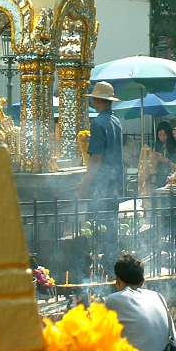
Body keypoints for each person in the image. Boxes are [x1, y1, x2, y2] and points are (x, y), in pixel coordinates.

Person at [105, 254, 176, 351]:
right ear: (142, 282)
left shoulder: (113, 300)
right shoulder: (157, 296)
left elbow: (103, 340)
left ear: (117, 280)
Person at [80, 82, 124, 267]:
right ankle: (111, 262)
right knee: (111, 226)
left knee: (98, 227)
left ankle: (102, 266)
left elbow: (96, 157)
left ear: (97, 100)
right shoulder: (116, 121)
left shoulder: (97, 122)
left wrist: (85, 183)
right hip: (115, 184)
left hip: (101, 184)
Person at [153, 121, 176, 188]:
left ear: (169, 134)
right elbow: (153, 167)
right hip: (158, 181)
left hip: (173, 181)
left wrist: (168, 162)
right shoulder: (157, 147)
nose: (162, 137)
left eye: (164, 135)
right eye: (159, 135)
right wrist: (156, 159)